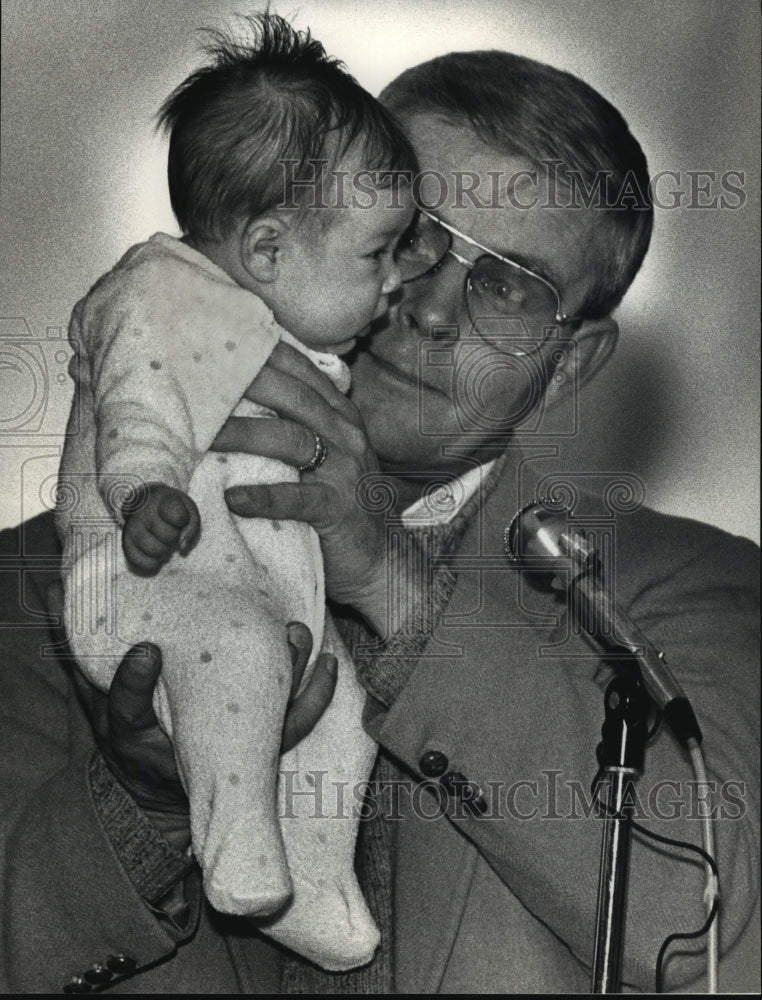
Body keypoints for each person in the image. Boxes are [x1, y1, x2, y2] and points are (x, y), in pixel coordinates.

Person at [0, 46, 758, 996]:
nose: (432, 308)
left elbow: (703, 925)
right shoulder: (39, 579)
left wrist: (390, 581)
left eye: (510, 286)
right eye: (411, 238)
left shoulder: (682, 593)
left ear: (568, 366)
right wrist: (141, 803)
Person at [53, 13, 415, 969]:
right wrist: (142, 494)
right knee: (244, 655)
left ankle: (311, 877)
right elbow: (136, 406)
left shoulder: (273, 332)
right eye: (378, 254)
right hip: (149, 580)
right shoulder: (158, 297)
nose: (397, 288)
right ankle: (240, 848)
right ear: (265, 250)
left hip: (247, 585)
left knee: (344, 711)